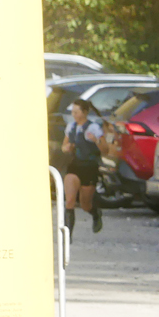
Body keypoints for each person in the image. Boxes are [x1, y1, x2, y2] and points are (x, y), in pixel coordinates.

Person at [61, 99, 108, 234]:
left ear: (85, 112)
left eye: (76, 112)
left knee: (85, 204)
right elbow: (63, 146)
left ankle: (95, 213)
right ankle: (68, 235)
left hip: (89, 167)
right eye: (73, 112)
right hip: (74, 165)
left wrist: (96, 140)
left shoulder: (93, 128)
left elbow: (105, 150)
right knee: (69, 201)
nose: (74, 115)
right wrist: (67, 148)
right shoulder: (71, 127)